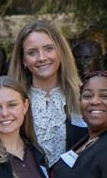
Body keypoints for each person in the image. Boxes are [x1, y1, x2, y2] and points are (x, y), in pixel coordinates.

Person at [9, 21, 85, 160]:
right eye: (32, 52)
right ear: (23, 60)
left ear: (60, 52)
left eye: (49, 49)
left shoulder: (84, 96)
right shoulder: (13, 102)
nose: (42, 58)